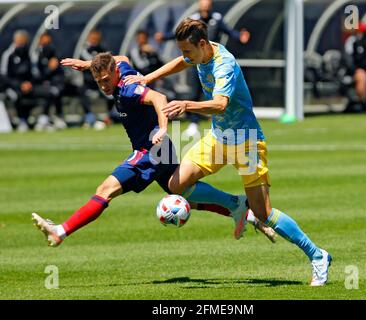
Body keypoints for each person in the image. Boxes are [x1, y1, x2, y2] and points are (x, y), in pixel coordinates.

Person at [125, 18, 331, 286]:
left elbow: (220, 105)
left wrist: (186, 104)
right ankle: (236, 204)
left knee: (264, 213)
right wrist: (149, 77)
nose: (185, 57)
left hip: (246, 141)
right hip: (218, 138)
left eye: (188, 51)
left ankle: (317, 256)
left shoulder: (225, 65)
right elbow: (182, 62)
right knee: (176, 184)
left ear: (201, 44)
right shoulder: (200, 52)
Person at [32, 52, 276, 248]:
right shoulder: (122, 70)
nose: (104, 86)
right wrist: (89, 64)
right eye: (99, 82)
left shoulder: (128, 89)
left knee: (105, 190)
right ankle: (241, 207)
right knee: (184, 191)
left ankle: (60, 232)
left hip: (151, 150)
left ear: (115, 74)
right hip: (161, 149)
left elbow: (159, 98)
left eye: (107, 80)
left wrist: (162, 127)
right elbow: (122, 59)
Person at [155, 0, 250, 138]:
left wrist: (239, 37)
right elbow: (180, 41)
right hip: (199, 63)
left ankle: (216, 124)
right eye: (202, 6)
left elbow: (229, 31)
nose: (204, 8)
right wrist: (163, 37)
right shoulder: (194, 19)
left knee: (217, 98)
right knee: (196, 92)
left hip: (244, 134)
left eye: (206, 6)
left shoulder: (217, 20)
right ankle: (194, 124)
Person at [0, 30, 56, 132]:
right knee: (15, 96)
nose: (22, 44)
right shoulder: (8, 55)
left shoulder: (30, 54)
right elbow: (4, 76)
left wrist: (29, 83)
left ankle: (43, 119)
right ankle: (22, 120)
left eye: (23, 42)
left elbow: (35, 73)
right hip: (13, 87)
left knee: (50, 92)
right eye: (20, 42)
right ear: (15, 41)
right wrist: (20, 84)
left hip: (30, 85)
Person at [80, 29, 117, 127]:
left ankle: (109, 117)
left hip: (102, 82)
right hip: (89, 83)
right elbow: (92, 63)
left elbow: (109, 62)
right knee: (81, 91)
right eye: (93, 37)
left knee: (113, 93)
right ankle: (89, 117)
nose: (94, 40)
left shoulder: (103, 49)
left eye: (96, 38)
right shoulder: (84, 50)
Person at [32, 32, 67, 131]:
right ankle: (44, 118)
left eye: (48, 42)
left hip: (53, 84)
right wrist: (49, 69)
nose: (46, 45)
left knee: (55, 90)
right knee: (51, 91)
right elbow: (37, 75)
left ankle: (57, 117)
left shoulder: (55, 53)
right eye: (44, 42)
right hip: (38, 85)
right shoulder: (35, 54)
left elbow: (60, 73)